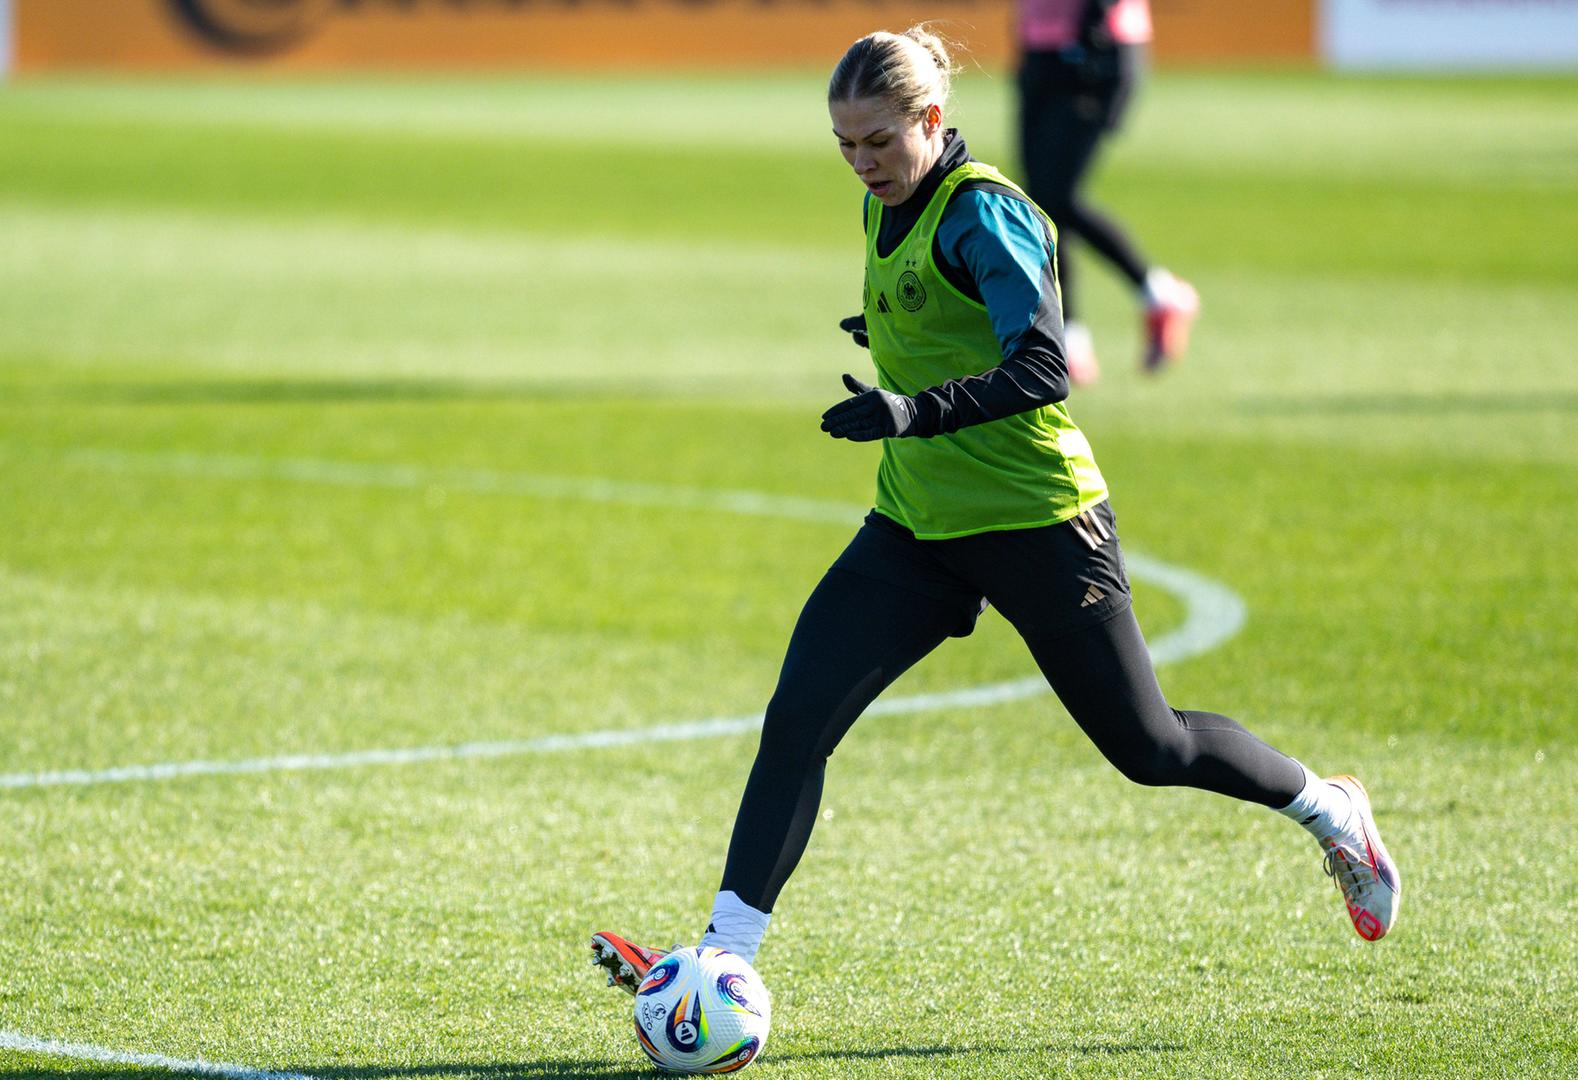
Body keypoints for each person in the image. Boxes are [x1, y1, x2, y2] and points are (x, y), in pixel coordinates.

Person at [590, 26, 1397, 995]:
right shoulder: (885, 202)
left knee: (1150, 748)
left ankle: (1330, 811)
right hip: (916, 527)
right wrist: (891, 333)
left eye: (879, 141)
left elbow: (1045, 365)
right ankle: (723, 958)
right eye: (844, 144)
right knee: (798, 718)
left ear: (932, 119)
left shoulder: (985, 214)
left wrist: (912, 409)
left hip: (1036, 523)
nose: (862, 162)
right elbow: (946, 315)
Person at [1015, 0, 1197, 384]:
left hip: (1096, 48)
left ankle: (1159, 293)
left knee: (1059, 198)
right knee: (1039, 205)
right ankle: (1070, 336)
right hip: (1039, 46)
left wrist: (1093, 22)